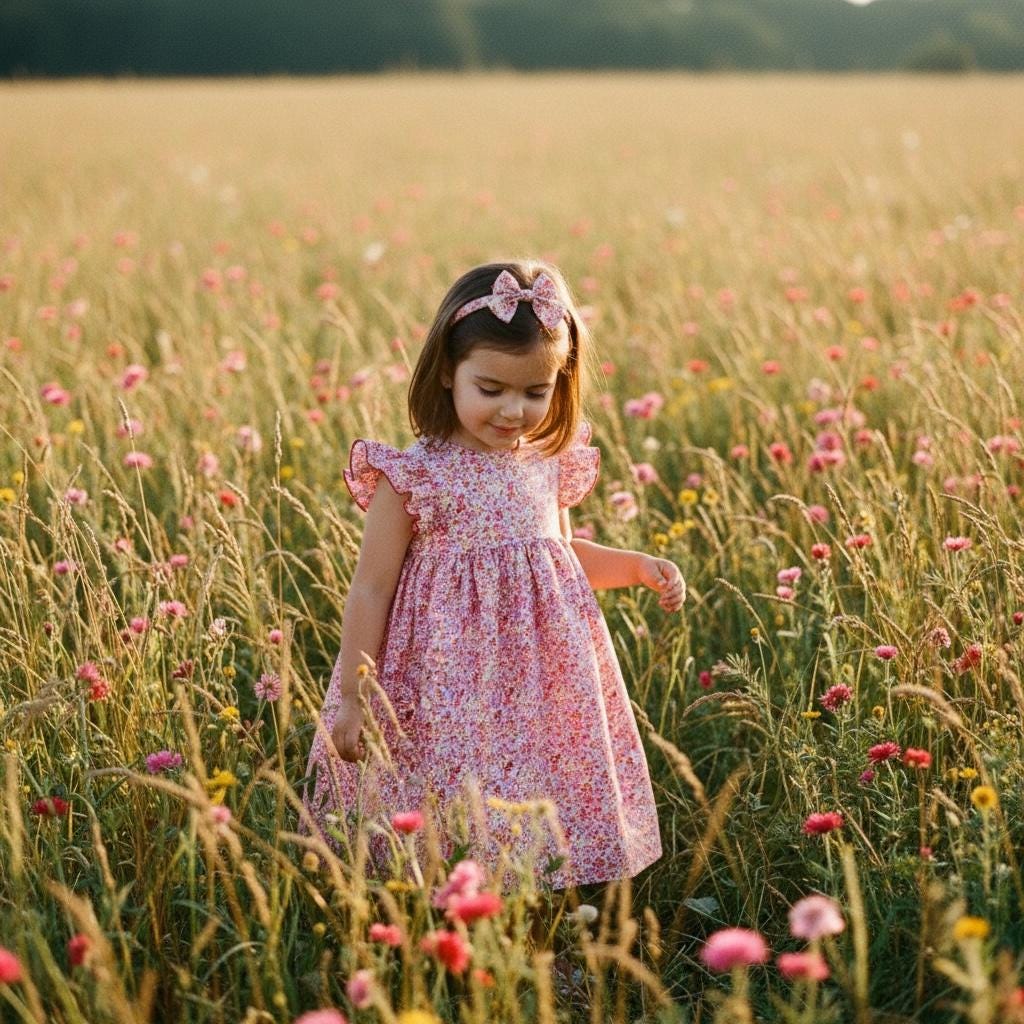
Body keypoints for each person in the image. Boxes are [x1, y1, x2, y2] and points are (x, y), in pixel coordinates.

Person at [300, 259, 686, 899]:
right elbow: (372, 588)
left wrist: (638, 568)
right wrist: (355, 695)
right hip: (441, 683)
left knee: (533, 811)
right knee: (446, 809)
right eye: (492, 389)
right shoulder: (414, 475)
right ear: (447, 370)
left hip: (535, 681)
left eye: (536, 393)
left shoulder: (548, 463)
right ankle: (441, 938)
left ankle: (538, 941)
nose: (514, 411)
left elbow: (559, 555)